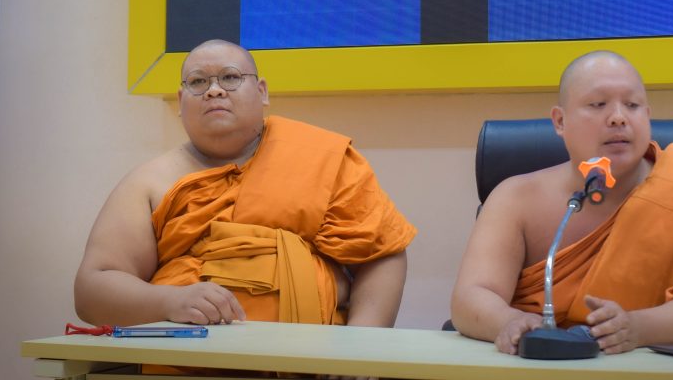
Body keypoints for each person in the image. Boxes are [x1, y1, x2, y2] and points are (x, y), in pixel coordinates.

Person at [75, 39, 417, 332]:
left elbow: (381, 255)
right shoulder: (149, 183)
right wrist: (169, 301)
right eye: (198, 82)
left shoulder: (323, 158)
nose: (214, 90)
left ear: (262, 91)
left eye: (230, 77)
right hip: (186, 363)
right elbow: (93, 289)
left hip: (315, 361)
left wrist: (359, 345)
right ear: (180, 101)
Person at [450, 50, 673, 355]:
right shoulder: (516, 198)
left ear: (647, 116)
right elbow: (472, 296)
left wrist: (638, 327)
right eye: (598, 104)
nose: (618, 117)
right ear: (560, 121)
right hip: (538, 365)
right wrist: (510, 323)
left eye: (632, 105)